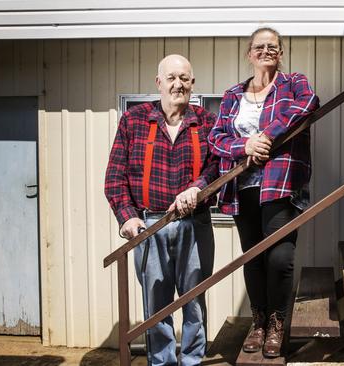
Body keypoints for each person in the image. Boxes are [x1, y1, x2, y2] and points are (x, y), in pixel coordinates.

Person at [208, 27, 319, 358]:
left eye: (273, 46)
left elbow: (308, 105)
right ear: (249, 53)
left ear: (281, 53)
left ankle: (276, 323)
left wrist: (265, 138)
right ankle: (258, 323)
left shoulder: (294, 83)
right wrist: (246, 145)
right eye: (259, 47)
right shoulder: (232, 95)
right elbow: (216, 138)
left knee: (281, 259)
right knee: (253, 258)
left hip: (281, 185)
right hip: (242, 190)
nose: (266, 51)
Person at [104, 54, 219, 366]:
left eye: (184, 78)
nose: (177, 84)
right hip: (149, 224)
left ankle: (193, 360)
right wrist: (126, 217)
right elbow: (115, 177)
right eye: (171, 78)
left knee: (194, 298)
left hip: (194, 223)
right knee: (155, 302)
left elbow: (217, 166)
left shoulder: (206, 121)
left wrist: (199, 186)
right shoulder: (134, 120)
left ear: (192, 84)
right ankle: (163, 361)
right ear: (158, 83)